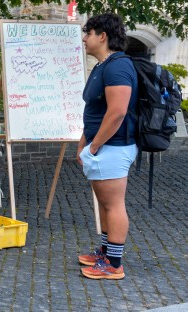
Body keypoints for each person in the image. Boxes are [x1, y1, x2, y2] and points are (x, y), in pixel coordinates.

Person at [77, 13, 138, 280]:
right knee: (104, 203)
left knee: (113, 205)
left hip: (113, 146)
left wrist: (94, 146)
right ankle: (105, 252)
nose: (84, 38)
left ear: (102, 36)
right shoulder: (103, 65)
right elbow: (96, 109)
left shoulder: (117, 67)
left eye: (88, 33)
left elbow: (117, 112)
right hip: (101, 145)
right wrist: (84, 142)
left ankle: (113, 264)